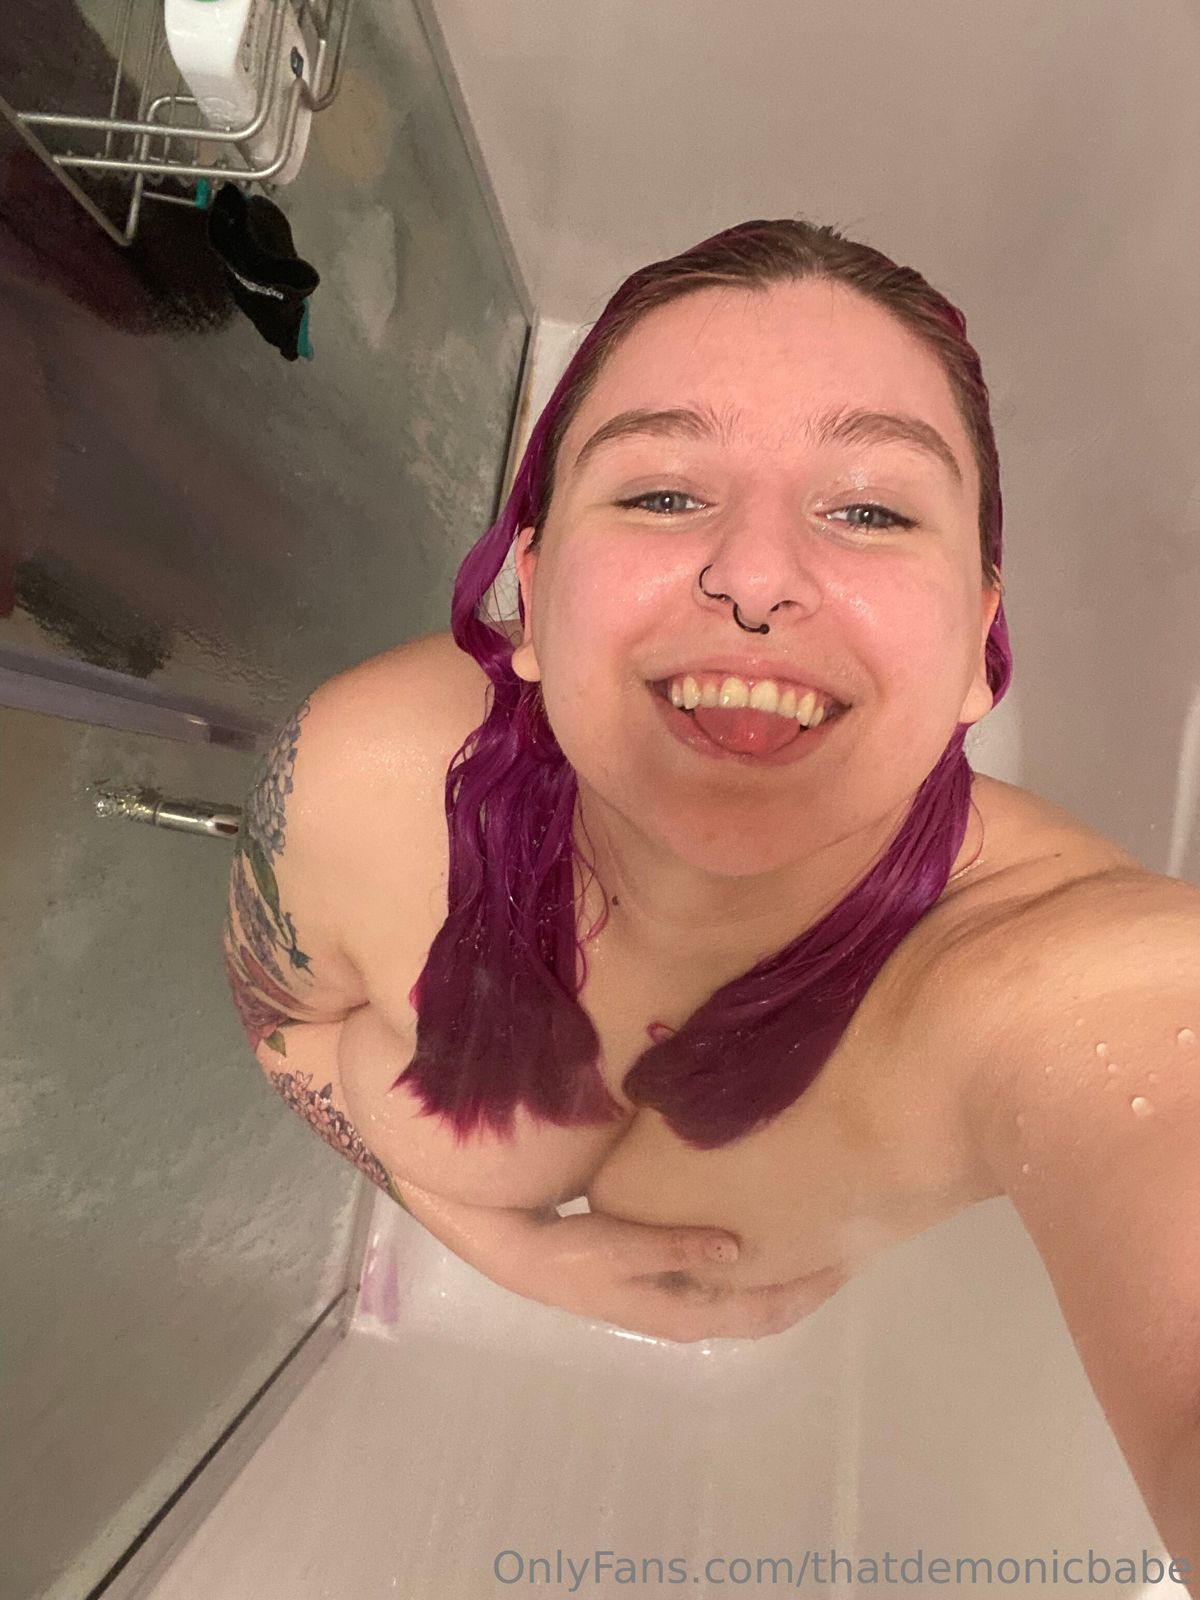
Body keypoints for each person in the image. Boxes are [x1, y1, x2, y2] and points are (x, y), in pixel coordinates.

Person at [223, 219, 1200, 1575]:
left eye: (872, 510)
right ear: (528, 591)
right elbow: (283, 1023)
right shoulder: (363, 774)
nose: (756, 577)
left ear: (983, 648)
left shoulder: (1053, 973)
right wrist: (498, 1243)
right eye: (663, 493)